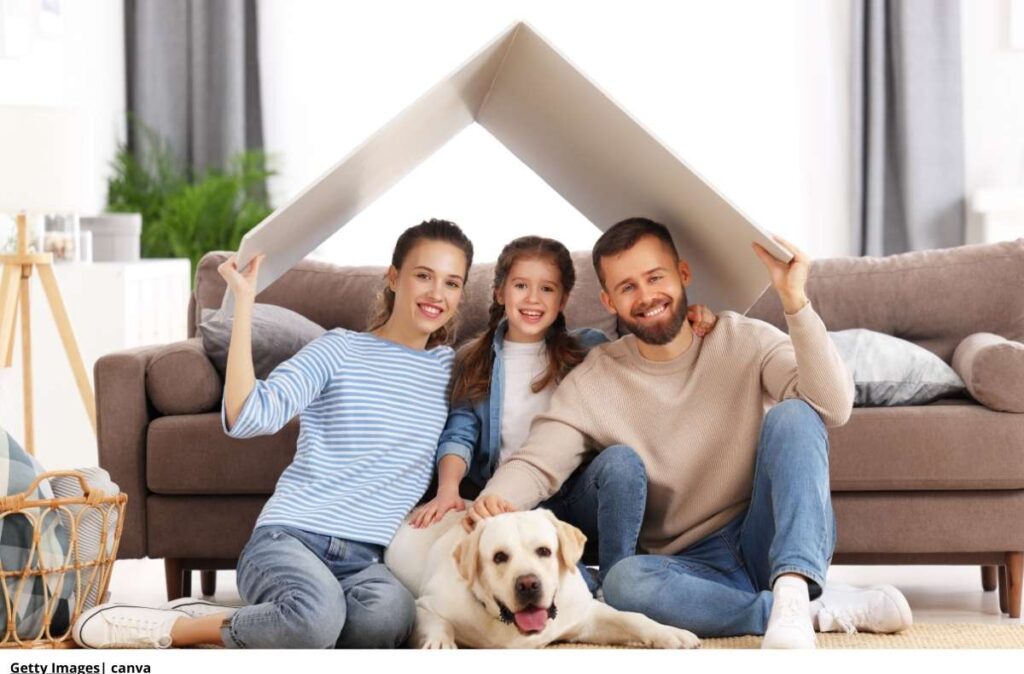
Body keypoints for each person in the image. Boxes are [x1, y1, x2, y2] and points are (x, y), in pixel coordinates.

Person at [466, 217, 913, 649]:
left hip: (762, 534)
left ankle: (795, 588)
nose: (646, 296)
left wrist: (795, 301)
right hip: (686, 566)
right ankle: (804, 611)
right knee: (624, 582)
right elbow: (538, 462)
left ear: (683, 275)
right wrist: (484, 508)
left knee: (795, 414)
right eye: (627, 287)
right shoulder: (595, 379)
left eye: (655, 277)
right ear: (609, 302)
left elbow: (832, 407)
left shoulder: (745, 339)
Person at [73, 219, 475, 649]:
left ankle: (270, 619)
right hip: (290, 537)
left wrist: (450, 485)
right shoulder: (338, 349)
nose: (436, 294)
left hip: (368, 559)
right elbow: (250, 415)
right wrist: (243, 305)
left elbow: (462, 433)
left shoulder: (450, 371)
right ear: (394, 277)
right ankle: (177, 628)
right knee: (314, 622)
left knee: (386, 623)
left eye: (451, 283)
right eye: (423, 276)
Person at [409, 236, 716, 590]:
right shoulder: (472, 358)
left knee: (621, 460)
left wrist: (690, 317)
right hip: (515, 503)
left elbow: (648, 344)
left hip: (578, 493)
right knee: (570, 590)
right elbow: (459, 434)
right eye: (521, 285)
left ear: (564, 299)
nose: (533, 299)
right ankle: (586, 582)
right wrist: (448, 489)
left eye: (547, 289)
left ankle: (621, 579)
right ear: (499, 293)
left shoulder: (589, 348)